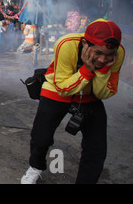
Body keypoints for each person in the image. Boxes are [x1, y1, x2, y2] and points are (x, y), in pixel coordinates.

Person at [21, 18, 125, 184]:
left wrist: (103, 70)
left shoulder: (118, 55)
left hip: (90, 94)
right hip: (58, 88)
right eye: (98, 53)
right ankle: (36, 166)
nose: (103, 60)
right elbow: (63, 87)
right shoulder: (66, 44)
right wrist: (87, 70)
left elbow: (103, 93)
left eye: (109, 55)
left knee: (97, 149)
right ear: (85, 43)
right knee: (41, 137)